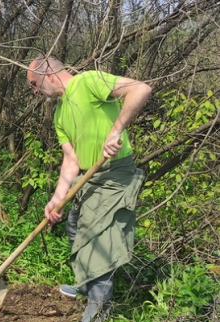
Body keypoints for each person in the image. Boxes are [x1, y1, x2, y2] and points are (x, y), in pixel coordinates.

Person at [26, 54, 151, 322]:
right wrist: (57, 198)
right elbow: (71, 161)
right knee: (74, 227)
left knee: (98, 244)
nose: (35, 92)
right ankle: (85, 285)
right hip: (91, 177)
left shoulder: (89, 81)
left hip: (116, 175)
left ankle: (96, 313)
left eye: (34, 85)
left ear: (48, 75)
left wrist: (116, 130)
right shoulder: (60, 113)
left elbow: (141, 89)